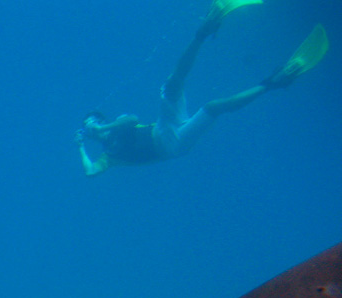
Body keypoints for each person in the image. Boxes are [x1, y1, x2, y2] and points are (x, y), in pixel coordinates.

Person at [77, 3, 328, 176]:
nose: (92, 124)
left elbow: (132, 119)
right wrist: (81, 146)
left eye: (94, 119)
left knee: (172, 83)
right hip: (171, 146)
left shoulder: (117, 123)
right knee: (213, 107)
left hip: (163, 127)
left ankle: (205, 29)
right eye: (89, 123)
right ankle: (274, 82)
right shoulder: (108, 156)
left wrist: (102, 127)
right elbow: (91, 172)